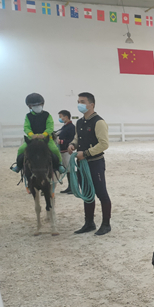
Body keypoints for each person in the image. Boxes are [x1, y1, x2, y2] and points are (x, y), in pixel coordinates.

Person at [67, 92, 112, 236]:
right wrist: (73, 145)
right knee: (87, 193)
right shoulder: (80, 122)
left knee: (101, 193)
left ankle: (106, 224)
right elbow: (77, 138)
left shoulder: (99, 122)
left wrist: (85, 153)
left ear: (91, 105)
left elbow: (104, 144)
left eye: (82, 102)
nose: (79, 104)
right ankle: (89, 223)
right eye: (78, 101)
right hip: (82, 164)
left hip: (95, 163)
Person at [11, 93, 65, 174]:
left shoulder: (47, 115)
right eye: (34, 105)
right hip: (32, 139)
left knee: (54, 149)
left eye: (39, 104)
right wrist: (31, 135)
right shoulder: (28, 116)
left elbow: (50, 127)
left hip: (46, 139)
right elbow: (26, 127)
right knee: (21, 149)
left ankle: (59, 165)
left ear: (42, 104)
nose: (37, 106)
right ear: (30, 106)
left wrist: (44, 134)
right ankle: (18, 166)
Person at [56, 110, 76, 194]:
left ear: (66, 117)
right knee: (68, 170)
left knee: (70, 169)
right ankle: (70, 187)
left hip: (67, 151)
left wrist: (61, 141)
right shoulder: (65, 126)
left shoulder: (71, 127)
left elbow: (72, 140)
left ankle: (73, 188)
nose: (60, 118)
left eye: (61, 116)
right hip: (63, 150)